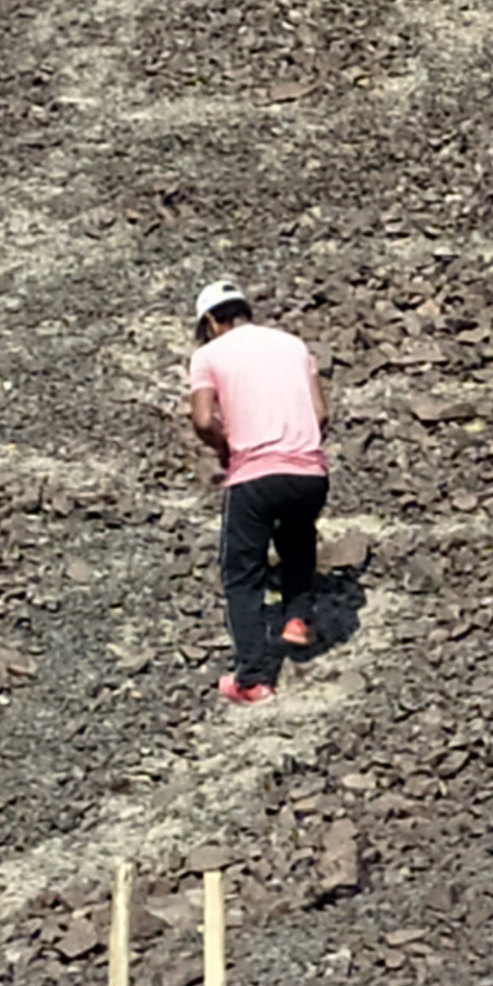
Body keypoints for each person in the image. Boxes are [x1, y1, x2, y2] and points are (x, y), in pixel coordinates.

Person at [184, 279, 329, 707]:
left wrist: (225, 446)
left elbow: (202, 418)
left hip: (255, 475)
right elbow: (321, 413)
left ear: (211, 322)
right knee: (297, 536)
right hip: (310, 471)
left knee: (241, 572)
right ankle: (298, 618)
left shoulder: (208, 355)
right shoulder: (293, 345)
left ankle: (252, 678)